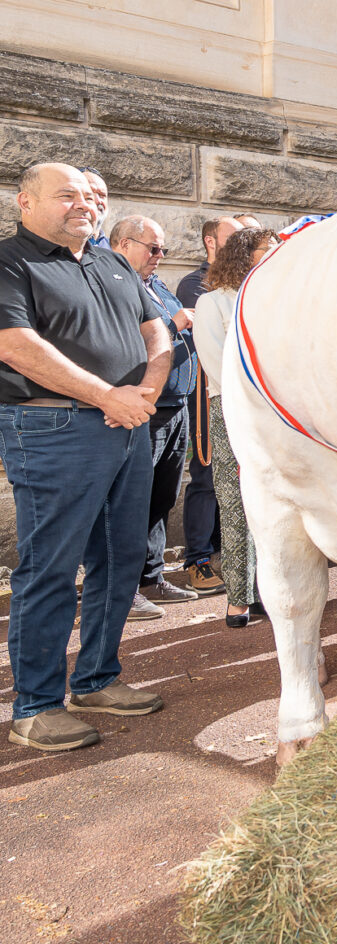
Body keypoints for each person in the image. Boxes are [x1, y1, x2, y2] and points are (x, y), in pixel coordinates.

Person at [0, 163, 171, 752]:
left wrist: (144, 392)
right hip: (53, 426)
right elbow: (15, 346)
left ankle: (96, 679)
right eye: (65, 195)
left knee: (121, 559)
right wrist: (107, 396)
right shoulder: (10, 261)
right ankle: (36, 707)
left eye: (88, 197)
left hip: (128, 422)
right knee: (50, 566)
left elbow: (157, 330)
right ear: (25, 202)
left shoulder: (111, 261)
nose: (84, 204)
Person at [109, 215, 210, 612]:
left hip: (175, 406)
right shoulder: (115, 284)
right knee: (130, 501)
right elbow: (122, 342)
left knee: (161, 499)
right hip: (143, 411)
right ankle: (121, 590)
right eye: (152, 248)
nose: (160, 255)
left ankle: (151, 579)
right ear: (124, 244)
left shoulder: (156, 284)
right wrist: (174, 321)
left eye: (162, 248)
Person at [193, 227, 280, 626]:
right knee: (235, 503)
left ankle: (268, 590)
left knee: (274, 503)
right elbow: (216, 364)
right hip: (233, 410)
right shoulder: (213, 302)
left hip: (280, 415)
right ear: (245, 255)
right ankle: (239, 597)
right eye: (267, 249)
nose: (275, 254)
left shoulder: (275, 300)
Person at [174, 216, 245, 599]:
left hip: (243, 394)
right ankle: (198, 558)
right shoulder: (195, 284)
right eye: (233, 237)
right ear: (210, 242)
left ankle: (228, 554)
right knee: (205, 474)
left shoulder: (248, 282)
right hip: (209, 393)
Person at [82, 168, 110, 246]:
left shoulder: (115, 249)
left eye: (102, 195)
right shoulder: (57, 246)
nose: (98, 201)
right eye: (90, 193)